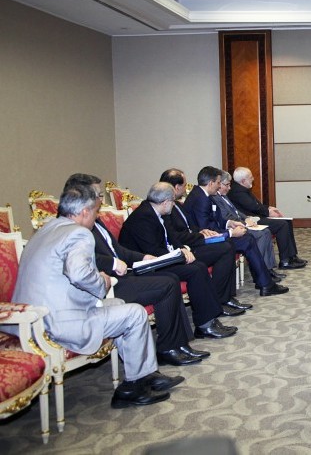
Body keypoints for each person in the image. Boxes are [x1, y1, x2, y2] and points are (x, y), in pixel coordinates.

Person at [10, 183, 182, 408]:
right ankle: (132, 389)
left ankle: (146, 374)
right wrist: (104, 280)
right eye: (96, 211)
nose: (97, 216)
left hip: (32, 318)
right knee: (136, 313)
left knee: (119, 303)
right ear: (84, 212)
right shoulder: (78, 233)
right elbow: (79, 273)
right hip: (59, 321)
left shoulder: (46, 229)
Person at [64, 173, 208, 366]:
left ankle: (178, 345)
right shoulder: (72, 227)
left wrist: (142, 257)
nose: (101, 199)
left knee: (170, 280)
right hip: (106, 284)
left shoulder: (94, 221)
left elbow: (117, 249)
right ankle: (169, 348)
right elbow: (85, 261)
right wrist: (113, 263)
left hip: (123, 274)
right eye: (98, 195)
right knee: (168, 283)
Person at [120, 183, 240, 339]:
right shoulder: (142, 218)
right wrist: (179, 255)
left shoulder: (157, 213)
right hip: (147, 266)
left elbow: (172, 238)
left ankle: (208, 320)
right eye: (173, 201)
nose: (174, 204)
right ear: (165, 202)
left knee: (198, 266)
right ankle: (205, 325)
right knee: (195, 270)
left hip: (161, 258)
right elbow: (152, 250)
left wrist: (182, 249)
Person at [184, 166, 288, 296]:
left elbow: (215, 220)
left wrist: (229, 223)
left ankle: (265, 282)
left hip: (215, 233)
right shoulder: (202, 199)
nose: (218, 187)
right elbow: (206, 230)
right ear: (211, 183)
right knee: (245, 241)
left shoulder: (202, 195)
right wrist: (231, 233)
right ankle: (264, 283)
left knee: (247, 239)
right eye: (218, 183)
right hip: (204, 241)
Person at [158, 168, 257, 292]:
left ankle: (227, 297)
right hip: (187, 247)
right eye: (184, 185)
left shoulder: (177, 204)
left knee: (230, 245)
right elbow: (175, 235)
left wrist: (202, 231)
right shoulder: (170, 208)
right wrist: (227, 233)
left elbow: (193, 226)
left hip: (195, 240)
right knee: (228, 246)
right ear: (177, 187)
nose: (186, 189)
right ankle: (222, 297)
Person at [226, 166, 306, 270]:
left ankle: (292, 256)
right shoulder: (237, 192)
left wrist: (268, 208)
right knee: (282, 225)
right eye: (251, 177)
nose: (253, 179)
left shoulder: (242, 189)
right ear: (243, 180)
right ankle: (285, 261)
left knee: (286, 221)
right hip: (252, 220)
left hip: (257, 217)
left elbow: (256, 205)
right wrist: (268, 212)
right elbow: (253, 207)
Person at [214, 170, 277, 274]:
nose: (230, 188)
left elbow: (236, 211)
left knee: (266, 231)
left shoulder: (224, 196)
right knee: (262, 234)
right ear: (219, 184)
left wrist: (247, 218)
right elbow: (226, 216)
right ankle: (261, 272)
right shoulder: (215, 198)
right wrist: (245, 223)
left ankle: (268, 269)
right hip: (233, 228)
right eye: (227, 185)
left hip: (241, 223)